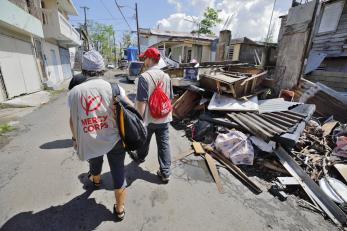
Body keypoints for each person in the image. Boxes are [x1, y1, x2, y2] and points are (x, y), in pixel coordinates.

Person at [68, 50, 129, 220]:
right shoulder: (115, 88)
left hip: (90, 138)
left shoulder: (75, 92)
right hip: (115, 138)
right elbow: (130, 108)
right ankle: (120, 208)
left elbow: (72, 121)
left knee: (95, 161)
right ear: (102, 69)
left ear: (84, 70)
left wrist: (75, 139)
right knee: (118, 171)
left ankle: (95, 180)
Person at [132, 47, 173, 183]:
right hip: (164, 118)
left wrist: (138, 121)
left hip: (149, 119)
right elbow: (170, 97)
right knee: (164, 145)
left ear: (149, 60)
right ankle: (165, 173)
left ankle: (140, 157)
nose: (144, 61)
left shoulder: (144, 77)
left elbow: (141, 102)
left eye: (145, 58)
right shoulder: (166, 76)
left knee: (144, 140)